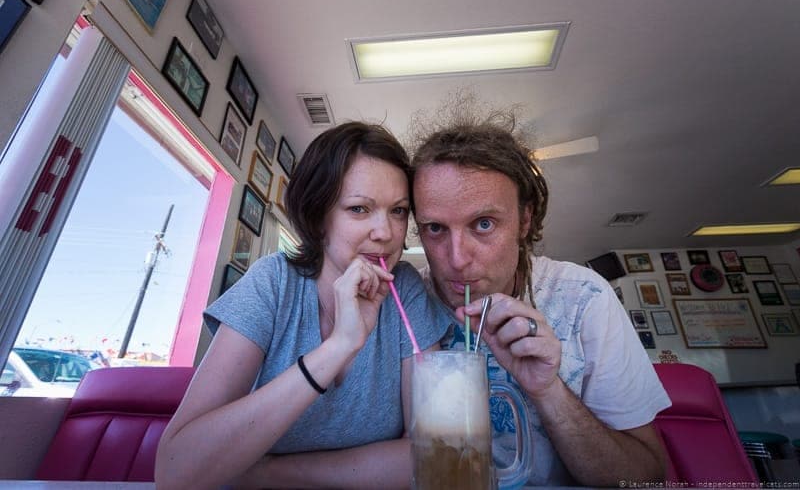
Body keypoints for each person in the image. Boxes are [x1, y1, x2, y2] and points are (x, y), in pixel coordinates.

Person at [156, 121, 450, 489]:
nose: (387, 233)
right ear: (318, 219)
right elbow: (175, 470)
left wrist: (268, 472)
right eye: (359, 209)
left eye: (398, 210)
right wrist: (338, 347)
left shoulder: (404, 288)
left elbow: (431, 456)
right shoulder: (273, 284)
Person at [409, 100, 672, 487]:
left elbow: (646, 476)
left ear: (525, 219)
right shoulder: (406, 302)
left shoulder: (584, 299)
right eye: (434, 228)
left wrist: (548, 390)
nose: (457, 259)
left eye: (483, 223)